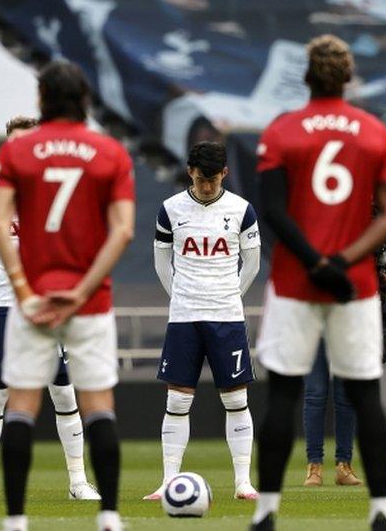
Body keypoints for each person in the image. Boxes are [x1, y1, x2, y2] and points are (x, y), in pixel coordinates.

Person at [252, 34, 386, 531]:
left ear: (305, 75)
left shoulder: (282, 131)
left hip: (296, 282)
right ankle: (381, 513)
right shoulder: (374, 132)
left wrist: (314, 263)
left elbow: (272, 209)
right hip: (354, 284)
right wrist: (342, 260)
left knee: (283, 396)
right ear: (348, 75)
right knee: (363, 395)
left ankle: (266, 513)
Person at [0, 61, 135, 531]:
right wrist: (82, 291)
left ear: (42, 99)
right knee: (97, 406)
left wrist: (25, 290)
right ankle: (109, 515)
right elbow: (124, 230)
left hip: (32, 302)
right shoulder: (109, 152)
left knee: (21, 407)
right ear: (85, 99)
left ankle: (15, 520)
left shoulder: (19, 153)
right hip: (88, 302)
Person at [0, 115, 100, 503]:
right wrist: (4, 292)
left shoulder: (57, 190)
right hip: (9, 308)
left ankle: (78, 482)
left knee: (64, 392)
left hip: (51, 309)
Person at [144, 141, 261, 501]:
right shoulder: (170, 210)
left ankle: (242, 482)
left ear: (224, 173)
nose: (206, 185)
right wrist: (180, 295)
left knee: (235, 398)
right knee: (177, 401)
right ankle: (168, 481)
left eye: (212, 178)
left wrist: (229, 296)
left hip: (226, 316)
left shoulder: (241, 210)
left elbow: (252, 263)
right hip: (184, 317)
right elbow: (162, 261)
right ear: (190, 172)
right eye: (200, 178)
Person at [301, 340, 362, 487]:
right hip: (314, 324)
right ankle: (314, 466)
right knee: (315, 394)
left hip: (344, 324)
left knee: (345, 394)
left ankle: (344, 465)